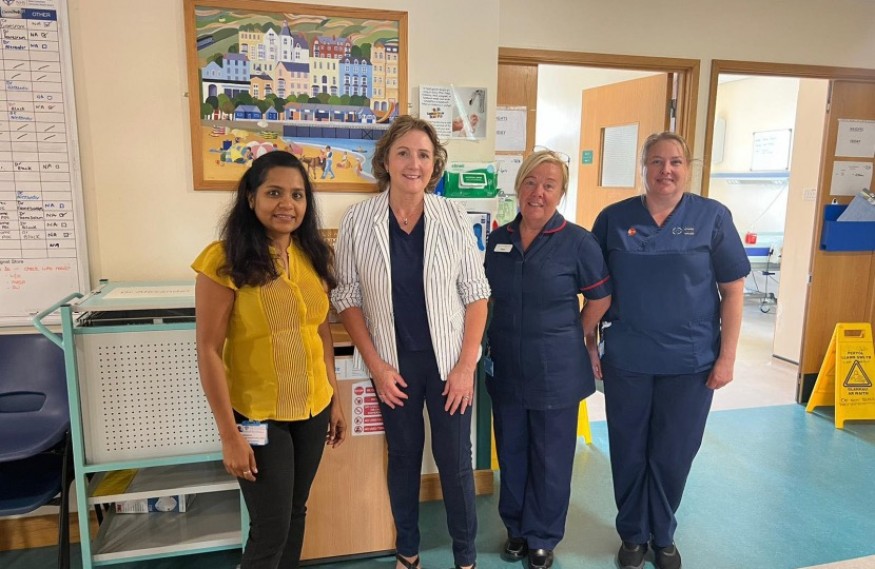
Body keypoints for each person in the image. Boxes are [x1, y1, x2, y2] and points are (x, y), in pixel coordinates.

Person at [331, 115, 490, 569]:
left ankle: (465, 557)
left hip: (449, 366)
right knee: (402, 458)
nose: (413, 163)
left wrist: (465, 368)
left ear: (434, 164)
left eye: (423, 155)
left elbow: (476, 294)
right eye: (403, 153)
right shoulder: (358, 220)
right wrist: (377, 367)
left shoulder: (452, 216)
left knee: (455, 461)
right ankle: (408, 553)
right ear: (386, 160)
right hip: (393, 366)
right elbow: (346, 296)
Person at [590, 132, 749, 569]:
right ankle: (632, 534)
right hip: (628, 358)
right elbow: (594, 289)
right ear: (643, 166)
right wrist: (589, 343)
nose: (666, 170)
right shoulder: (614, 219)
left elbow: (733, 291)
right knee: (628, 449)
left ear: (688, 168)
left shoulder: (713, 217)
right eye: (657, 161)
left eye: (676, 161)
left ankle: (662, 533)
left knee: (674, 452)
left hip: (691, 362)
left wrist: (727, 357)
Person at [193, 150, 347, 569]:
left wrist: (334, 399)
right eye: (274, 192)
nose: (287, 204)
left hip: (313, 409)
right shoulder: (224, 260)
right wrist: (229, 435)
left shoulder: (313, 255)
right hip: (258, 417)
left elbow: (320, 332)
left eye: (297, 195)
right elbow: (208, 349)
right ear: (251, 197)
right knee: (271, 527)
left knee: (296, 513)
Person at [484, 150, 612, 569]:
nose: (538, 192)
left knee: (550, 457)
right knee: (512, 451)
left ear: (560, 193)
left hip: (555, 369)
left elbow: (600, 298)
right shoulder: (498, 240)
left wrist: (576, 333)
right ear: (518, 186)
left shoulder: (578, 242)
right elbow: (485, 297)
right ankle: (516, 529)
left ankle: (542, 535)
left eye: (549, 185)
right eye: (531, 182)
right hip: (506, 365)